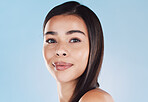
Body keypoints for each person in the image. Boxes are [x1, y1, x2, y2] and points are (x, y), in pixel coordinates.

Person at [42, 1, 114, 102]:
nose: (60, 50)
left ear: (94, 47)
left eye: (74, 40)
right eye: (51, 40)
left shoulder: (95, 99)